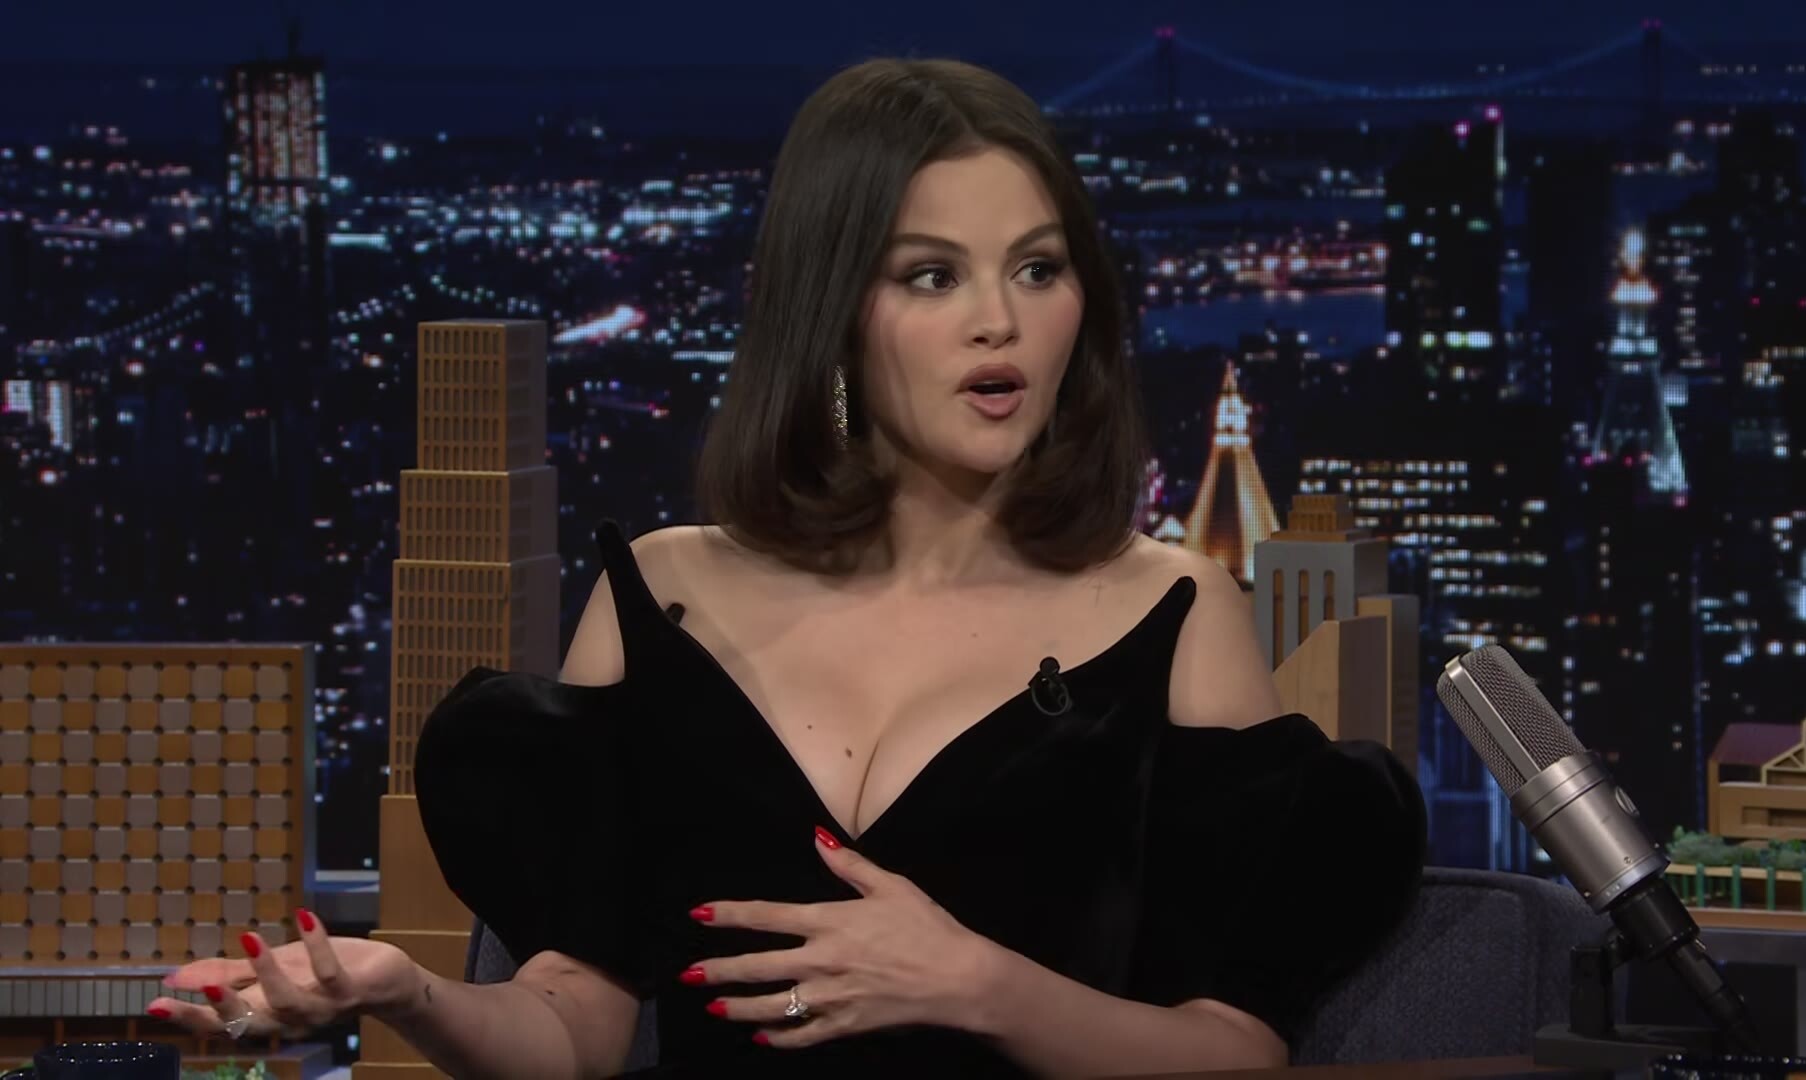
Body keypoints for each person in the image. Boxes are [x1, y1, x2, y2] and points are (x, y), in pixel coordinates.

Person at [150, 56, 1425, 1078]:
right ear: (831, 312)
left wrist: (978, 984)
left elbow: (1233, 1050)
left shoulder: (1172, 610)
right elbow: (575, 1030)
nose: (1001, 320)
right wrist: (403, 992)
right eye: (933, 275)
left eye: (1039, 269)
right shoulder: (662, 599)